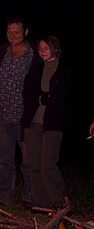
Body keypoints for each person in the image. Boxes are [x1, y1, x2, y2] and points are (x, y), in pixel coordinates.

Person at [0, 17, 38, 207]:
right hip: (2, 113)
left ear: (26, 32)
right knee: (3, 159)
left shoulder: (34, 55)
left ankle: (31, 195)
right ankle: (3, 195)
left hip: (25, 117)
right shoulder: (1, 53)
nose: (13, 35)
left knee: (29, 160)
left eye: (17, 32)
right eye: (10, 32)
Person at [21, 35, 72, 209]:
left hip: (52, 124)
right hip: (33, 122)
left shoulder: (63, 68)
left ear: (54, 48)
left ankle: (60, 202)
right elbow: (28, 93)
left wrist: (47, 98)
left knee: (48, 164)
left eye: (46, 48)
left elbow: (63, 96)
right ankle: (42, 203)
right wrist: (40, 98)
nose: (42, 51)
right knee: (32, 164)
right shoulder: (35, 69)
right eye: (40, 48)